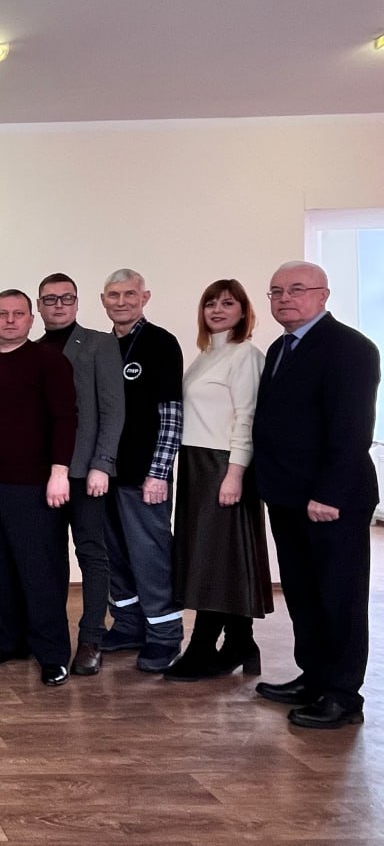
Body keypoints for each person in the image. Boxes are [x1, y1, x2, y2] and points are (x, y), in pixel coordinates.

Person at [253, 261, 380, 729]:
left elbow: (352, 429)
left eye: (297, 289)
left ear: (323, 295)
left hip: (332, 500)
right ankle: (314, 677)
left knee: (339, 596)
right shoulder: (281, 347)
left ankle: (343, 695)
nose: (285, 298)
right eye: (276, 291)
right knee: (304, 593)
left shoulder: (351, 348)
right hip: (289, 496)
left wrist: (328, 493)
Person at [0, 290, 76, 686]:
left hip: (37, 486)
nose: (10, 320)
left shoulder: (50, 361)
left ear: (31, 319)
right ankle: (10, 641)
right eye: (2, 314)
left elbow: (65, 419)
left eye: (18, 314)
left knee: (40, 572)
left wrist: (59, 472)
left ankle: (53, 655)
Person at [165, 279, 271, 682]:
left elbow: (247, 417)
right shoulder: (208, 354)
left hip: (223, 466)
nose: (217, 310)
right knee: (215, 559)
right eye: (210, 303)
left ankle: (202, 647)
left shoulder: (245, 355)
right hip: (196, 464)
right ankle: (241, 642)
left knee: (215, 561)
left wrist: (235, 474)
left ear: (243, 311)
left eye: (227, 303)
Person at [36, 273, 124, 676]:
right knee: (47, 557)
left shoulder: (99, 344)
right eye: (50, 299)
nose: (58, 305)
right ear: (39, 305)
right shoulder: (34, 350)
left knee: (91, 553)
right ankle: (50, 637)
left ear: (76, 302)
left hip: (86, 471)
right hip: (43, 473)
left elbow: (113, 409)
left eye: (66, 298)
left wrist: (102, 464)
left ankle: (91, 638)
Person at [99, 268, 185, 672]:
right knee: (115, 557)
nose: (121, 302)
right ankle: (128, 625)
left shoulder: (160, 343)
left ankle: (164, 637)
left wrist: (159, 472)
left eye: (129, 294)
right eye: (114, 295)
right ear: (103, 300)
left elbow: (171, 415)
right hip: (105, 475)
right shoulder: (102, 347)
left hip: (143, 476)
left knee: (151, 557)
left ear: (144, 297)